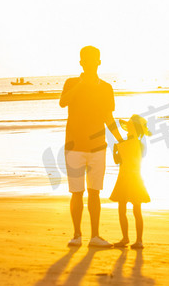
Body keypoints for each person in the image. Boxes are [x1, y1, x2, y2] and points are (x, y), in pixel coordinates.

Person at [59, 46, 123, 247]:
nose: (89, 63)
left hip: (97, 147)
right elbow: (63, 103)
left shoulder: (105, 87)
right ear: (81, 63)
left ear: (99, 62)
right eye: (85, 60)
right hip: (74, 146)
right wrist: (81, 85)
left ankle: (94, 236)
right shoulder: (71, 82)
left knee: (95, 192)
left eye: (93, 60)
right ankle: (76, 235)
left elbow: (108, 116)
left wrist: (120, 141)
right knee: (76, 192)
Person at [110, 114, 151, 249]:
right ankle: (126, 238)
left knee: (135, 209)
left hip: (133, 177)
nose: (129, 127)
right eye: (129, 125)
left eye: (131, 125)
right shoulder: (127, 142)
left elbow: (131, 157)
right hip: (125, 176)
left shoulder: (136, 143)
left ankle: (138, 240)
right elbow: (118, 161)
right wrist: (116, 150)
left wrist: (118, 148)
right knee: (123, 208)